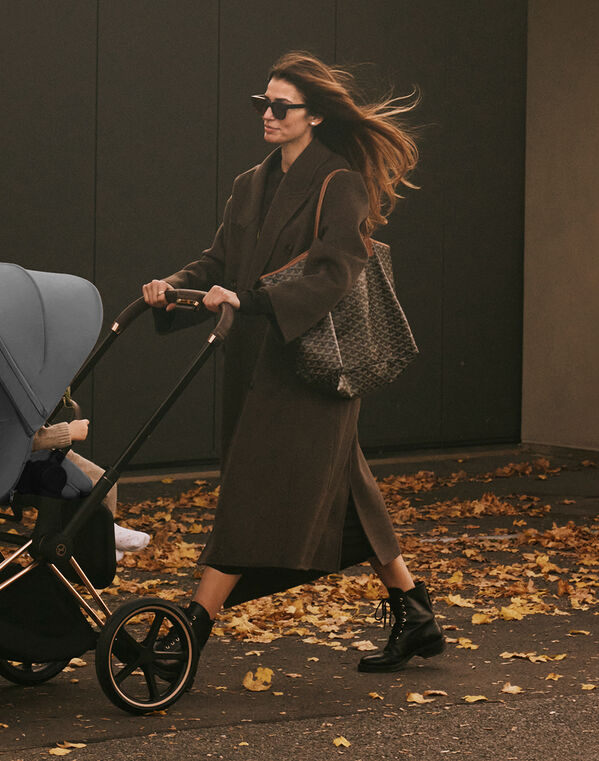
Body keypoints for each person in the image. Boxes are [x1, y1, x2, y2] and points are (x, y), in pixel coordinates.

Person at [141, 51, 439, 675]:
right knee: (349, 491)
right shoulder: (251, 183)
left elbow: (336, 273)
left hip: (309, 370)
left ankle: (193, 631)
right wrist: (174, 287)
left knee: (249, 490)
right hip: (256, 365)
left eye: (282, 107)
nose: (269, 116)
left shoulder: (340, 182)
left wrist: (249, 301)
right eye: (263, 105)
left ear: (315, 117)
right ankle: (415, 612)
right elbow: (219, 263)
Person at [28, 418, 153, 558]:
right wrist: (67, 432)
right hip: (19, 469)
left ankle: (105, 536)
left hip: (17, 463)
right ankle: (104, 539)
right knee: (98, 484)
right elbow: (15, 441)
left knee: (101, 482)